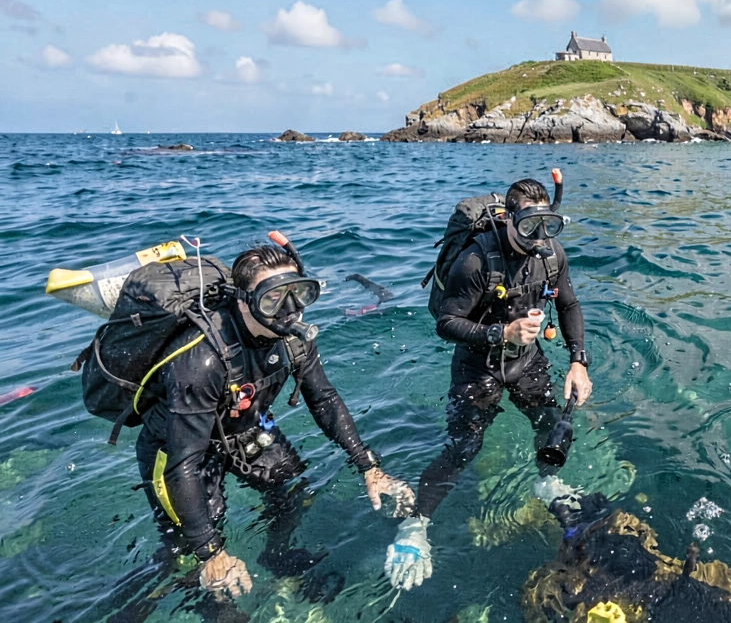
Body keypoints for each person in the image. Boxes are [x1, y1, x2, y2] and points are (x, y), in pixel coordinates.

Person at [133, 244, 413, 603]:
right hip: (178, 451)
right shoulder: (201, 361)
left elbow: (324, 399)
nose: (290, 311)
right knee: (188, 546)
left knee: (291, 491)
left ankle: (275, 555)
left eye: (299, 294)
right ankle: (150, 600)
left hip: (245, 428)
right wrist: (211, 552)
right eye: (273, 299)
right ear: (243, 301)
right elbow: (182, 464)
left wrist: (368, 466)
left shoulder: (293, 339)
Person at [386, 177, 591, 591]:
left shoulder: (551, 255)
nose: (538, 238)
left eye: (547, 226)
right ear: (509, 219)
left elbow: (568, 303)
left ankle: (546, 481)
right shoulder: (477, 262)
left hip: (527, 361)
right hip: (477, 366)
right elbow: (446, 322)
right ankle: (415, 524)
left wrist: (577, 362)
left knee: (551, 425)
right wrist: (502, 334)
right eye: (529, 227)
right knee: (464, 447)